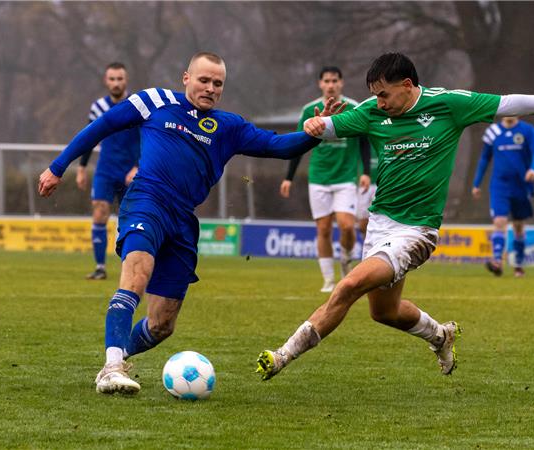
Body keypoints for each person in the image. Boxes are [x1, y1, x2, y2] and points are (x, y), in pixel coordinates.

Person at [256, 52, 534, 380]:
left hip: (417, 231)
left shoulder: (448, 104)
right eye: (374, 95)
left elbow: (509, 103)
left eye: (383, 94)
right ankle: (441, 335)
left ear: (407, 86)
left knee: (349, 285)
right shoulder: (373, 111)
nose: (378, 102)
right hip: (380, 224)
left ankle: (282, 355)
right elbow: (330, 129)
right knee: (384, 312)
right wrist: (315, 127)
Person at [38, 52, 340, 394]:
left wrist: (317, 132)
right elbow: (100, 128)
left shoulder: (229, 127)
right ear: (186, 78)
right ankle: (112, 367)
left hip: (182, 221)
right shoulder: (154, 101)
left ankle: (118, 354)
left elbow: (280, 146)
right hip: (146, 202)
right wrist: (58, 167)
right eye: (203, 80)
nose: (210, 88)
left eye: (218, 83)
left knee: (162, 324)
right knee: (137, 273)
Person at [280, 66, 372, 293]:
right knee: (322, 230)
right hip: (319, 178)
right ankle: (329, 280)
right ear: (320, 84)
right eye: (327, 81)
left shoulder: (353, 108)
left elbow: (363, 141)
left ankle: (346, 259)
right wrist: (288, 178)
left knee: (347, 225)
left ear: (341, 83)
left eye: (335, 80)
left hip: (346, 177)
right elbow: (299, 143)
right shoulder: (309, 110)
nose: (331, 84)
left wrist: (365, 172)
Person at [76, 62, 141, 280]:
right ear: (106, 81)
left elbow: (149, 140)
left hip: (130, 172)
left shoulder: (137, 106)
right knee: (100, 211)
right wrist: (82, 168)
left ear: (126, 80)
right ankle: (100, 267)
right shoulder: (98, 108)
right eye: (112, 79)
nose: (116, 83)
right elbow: (88, 137)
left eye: (119, 79)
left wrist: (138, 167)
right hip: (105, 170)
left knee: (129, 219)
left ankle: (129, 266)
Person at [471, 116, 534, 277]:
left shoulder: (528, 130)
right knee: (499, 221)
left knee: (518, 226)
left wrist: (533, 169)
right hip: (499, 185)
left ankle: (518, 264)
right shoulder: (493, 131)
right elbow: (484, 159)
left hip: (521, 185)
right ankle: (497, 261)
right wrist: (477, 183)